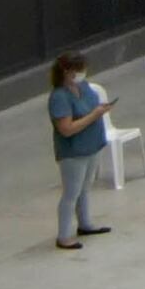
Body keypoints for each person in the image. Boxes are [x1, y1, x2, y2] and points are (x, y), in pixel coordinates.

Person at [45, 55, 113, 249]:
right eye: (79, 70)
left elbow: (91, 104)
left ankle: (85, 223)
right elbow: (66, 128)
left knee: (85, 188)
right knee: (71, 193)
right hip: (74, 152)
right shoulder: (59, 97)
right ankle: (64, 235)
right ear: (67, 72)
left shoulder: (84, 87)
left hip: (92, 145)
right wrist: (94, 115)